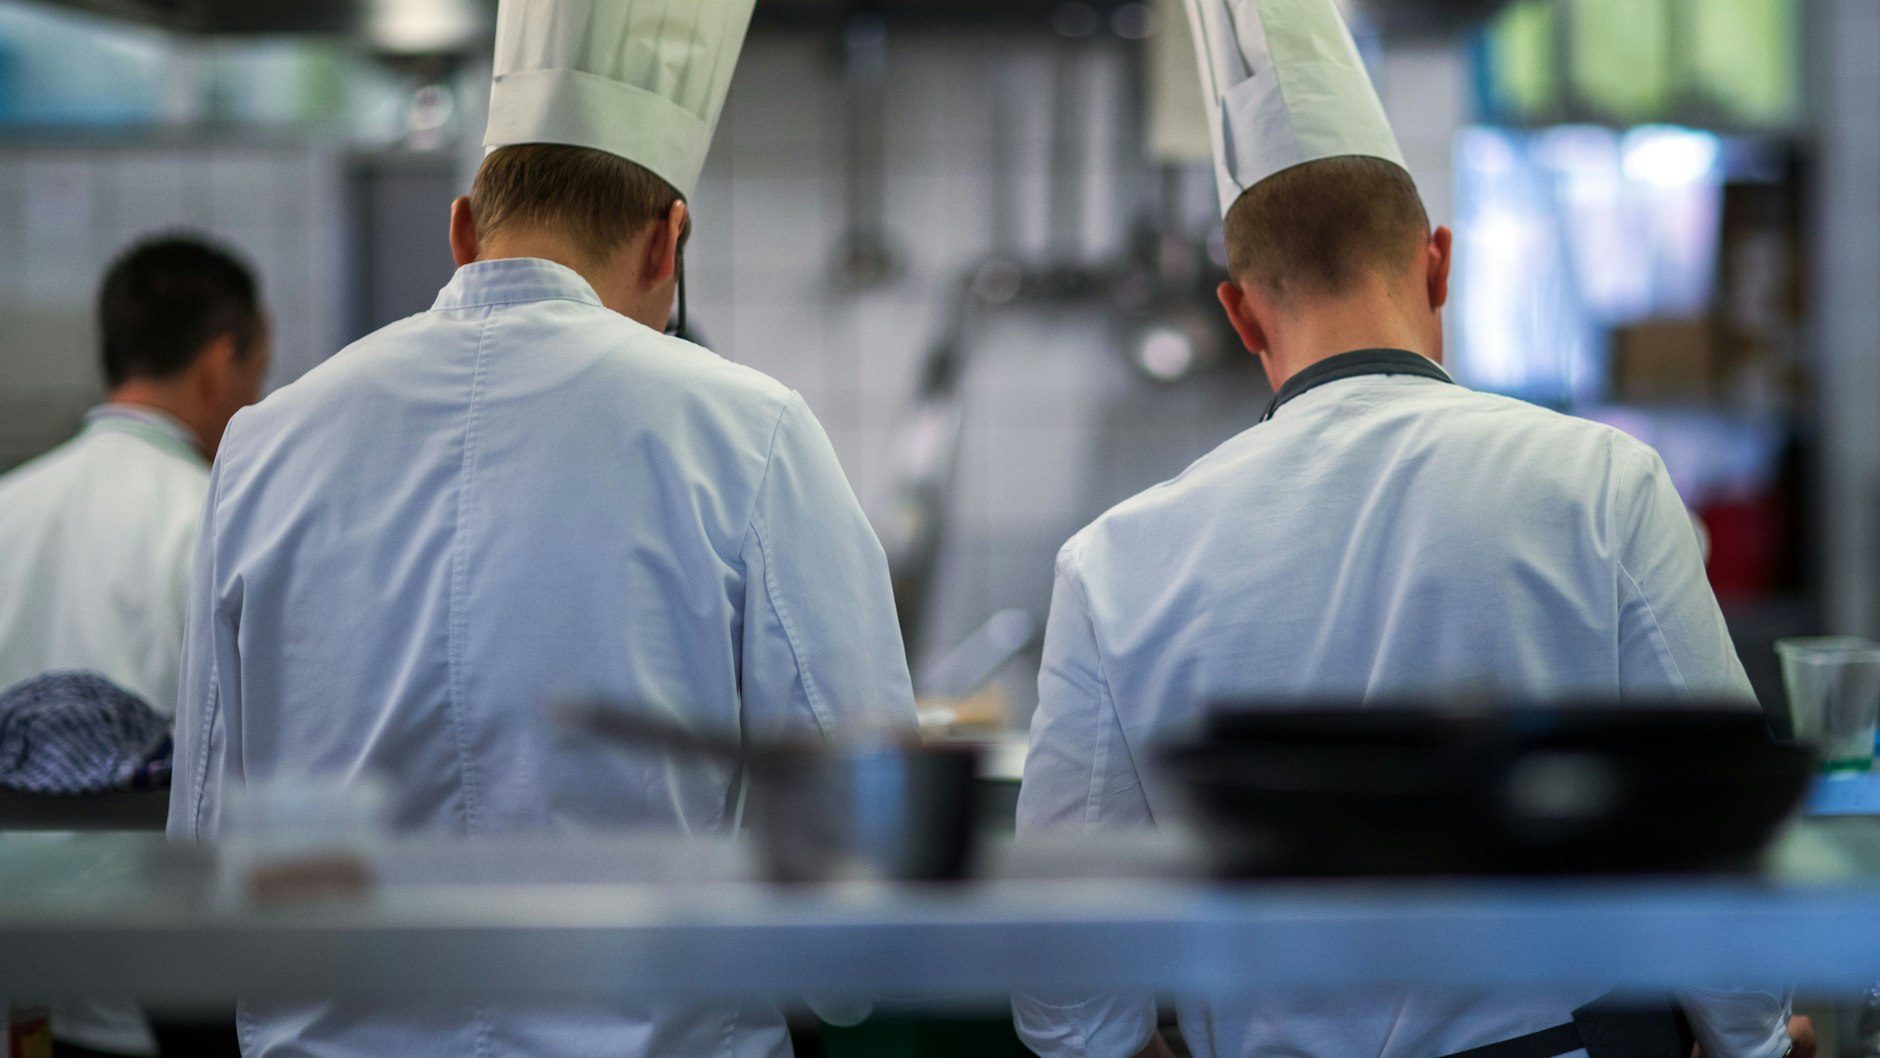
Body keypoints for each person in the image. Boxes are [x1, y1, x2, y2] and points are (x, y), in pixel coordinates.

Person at [1012, 2, 1802, 1058]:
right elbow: (1715, 822)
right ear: (1437, 264)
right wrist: (1746, 1038)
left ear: (1240, 316)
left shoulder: (1113, 559)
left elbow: (1065, 986)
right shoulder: (1601, 481)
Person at [165, 1, 916, 1056]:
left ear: (464, 227)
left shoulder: (261, 443)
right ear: (667, 242)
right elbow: (862, 849)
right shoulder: (753, 431)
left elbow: (202, 841)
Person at [0, 236, 268, 1058]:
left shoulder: (9, 503)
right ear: (222, 363)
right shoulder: (216, 524)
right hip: (161, 980)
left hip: (18, 964)